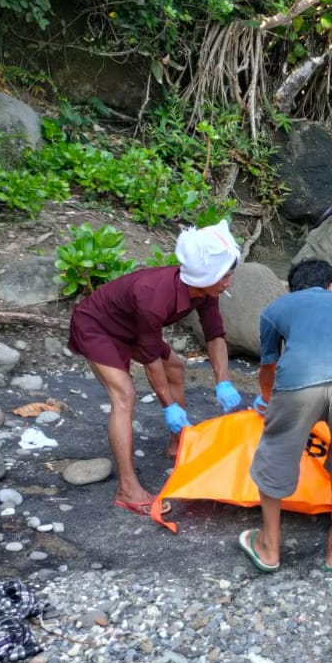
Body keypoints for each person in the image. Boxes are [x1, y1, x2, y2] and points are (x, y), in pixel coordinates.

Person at [68, 219, 243, 516]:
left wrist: (223, 380)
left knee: (176, 367)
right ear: (206, 276)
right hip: (97, 326)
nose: (229, 281)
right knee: (124, 395)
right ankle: (127, 488)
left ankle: (179, 443)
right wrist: (168, 406)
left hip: (133, 326)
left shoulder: (206, 291)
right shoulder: (154, 297)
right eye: (225, 275)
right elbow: (150, 361)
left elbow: (215, 335)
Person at [239, 259, 332, 573]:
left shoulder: (276, 309)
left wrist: (267, 401)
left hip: (300, 382)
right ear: (331, 286)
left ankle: (269, 547)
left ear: (293, 288)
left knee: (276, 452)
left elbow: (268, 367)